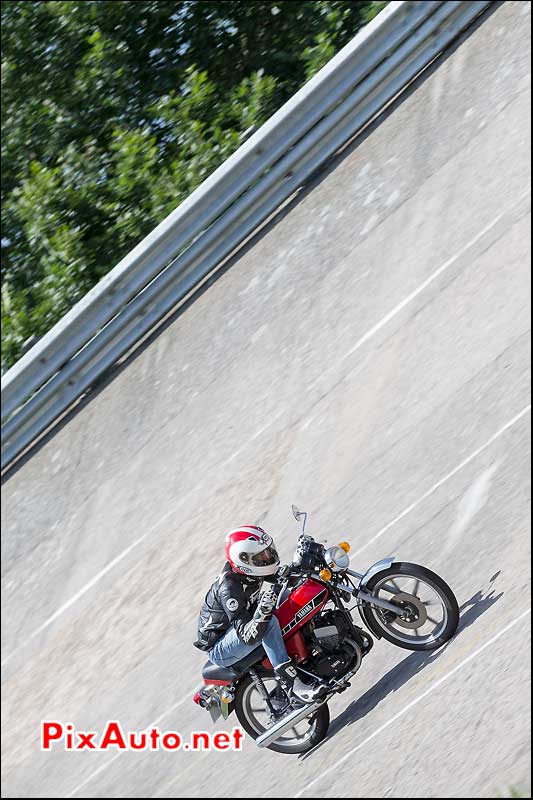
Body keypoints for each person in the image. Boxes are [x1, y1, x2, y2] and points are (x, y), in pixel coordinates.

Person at [193, 525, 326, 704]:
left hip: (239, 627)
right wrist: (263, 611)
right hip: (220, 647)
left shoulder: (250, 570)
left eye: (268, 552)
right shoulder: (229, 589)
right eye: (261, 557)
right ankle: (293, 686)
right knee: (269, 622)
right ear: (244, 561)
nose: (267, 558)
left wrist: (301, 559)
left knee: (290, 597)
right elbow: (248, 636)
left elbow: (281, 577)